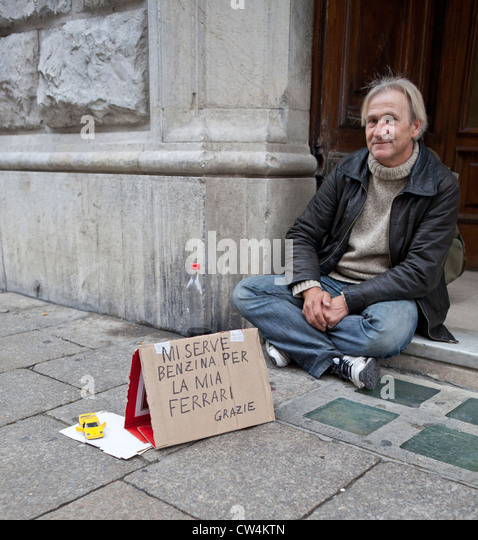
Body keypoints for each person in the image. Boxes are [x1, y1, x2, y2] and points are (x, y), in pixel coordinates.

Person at [232, 75, 461, 390]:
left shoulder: (441, 184)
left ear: (415, 128)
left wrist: (348, 301)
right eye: (372, 121)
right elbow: (302, 234)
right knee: (247, 293)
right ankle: (339, 361)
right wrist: (311, 290)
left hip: (390, 293)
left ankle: (291, 341)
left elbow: (420, 272)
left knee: (387, 333)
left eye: (391, 120)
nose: (379, 130)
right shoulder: (348, 169)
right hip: (331, 280)